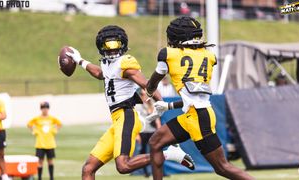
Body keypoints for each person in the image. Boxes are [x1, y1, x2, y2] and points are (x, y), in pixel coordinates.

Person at [65, 25, 194, 180]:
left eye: (116, 46)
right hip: (116, 120)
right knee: (88, 169)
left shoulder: (125, 62)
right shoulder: (106, 64)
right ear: (101, 47)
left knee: (123, 165)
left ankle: (168, 153)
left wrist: (162, 102)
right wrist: (79, 60)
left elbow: (147, 84)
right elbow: (100, 73)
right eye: (108, 46)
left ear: (123, 45)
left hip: (127, 115)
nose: (112, 50)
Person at [145, 16, 254, 180]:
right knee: (155, 143)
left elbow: (153, 82)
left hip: (199, 118)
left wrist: (149, 90)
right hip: (194, 114)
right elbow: (194, 97)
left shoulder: (169, 54)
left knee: (222, 167)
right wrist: (168, 107)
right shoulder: (208, 56)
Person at [27, 101, 62, 180]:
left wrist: (55, 130)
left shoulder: (52, 118)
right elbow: (29, 124)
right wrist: (34, 131)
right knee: (40, 162)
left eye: (46, 108)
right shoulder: (37, 118)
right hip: (40, 143)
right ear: (41, 109)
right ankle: (39, 178)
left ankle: (51, 177)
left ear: (48, 109)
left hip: (50, 143)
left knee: (50, 161)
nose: (44, 110)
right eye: (43, 108)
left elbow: (59, 124)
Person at [135, 89, 161, 177]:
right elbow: (135, 120)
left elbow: (156, 117)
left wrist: (159, 128)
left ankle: (157, 171)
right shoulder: (137, 105)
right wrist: (136, 134)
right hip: (142, 131)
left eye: (145, 94)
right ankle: (145, 172)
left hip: (151, 130)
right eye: (142, 94)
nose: (144, 96)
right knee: (142, 151)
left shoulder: (150, 103)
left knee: (155, 150)